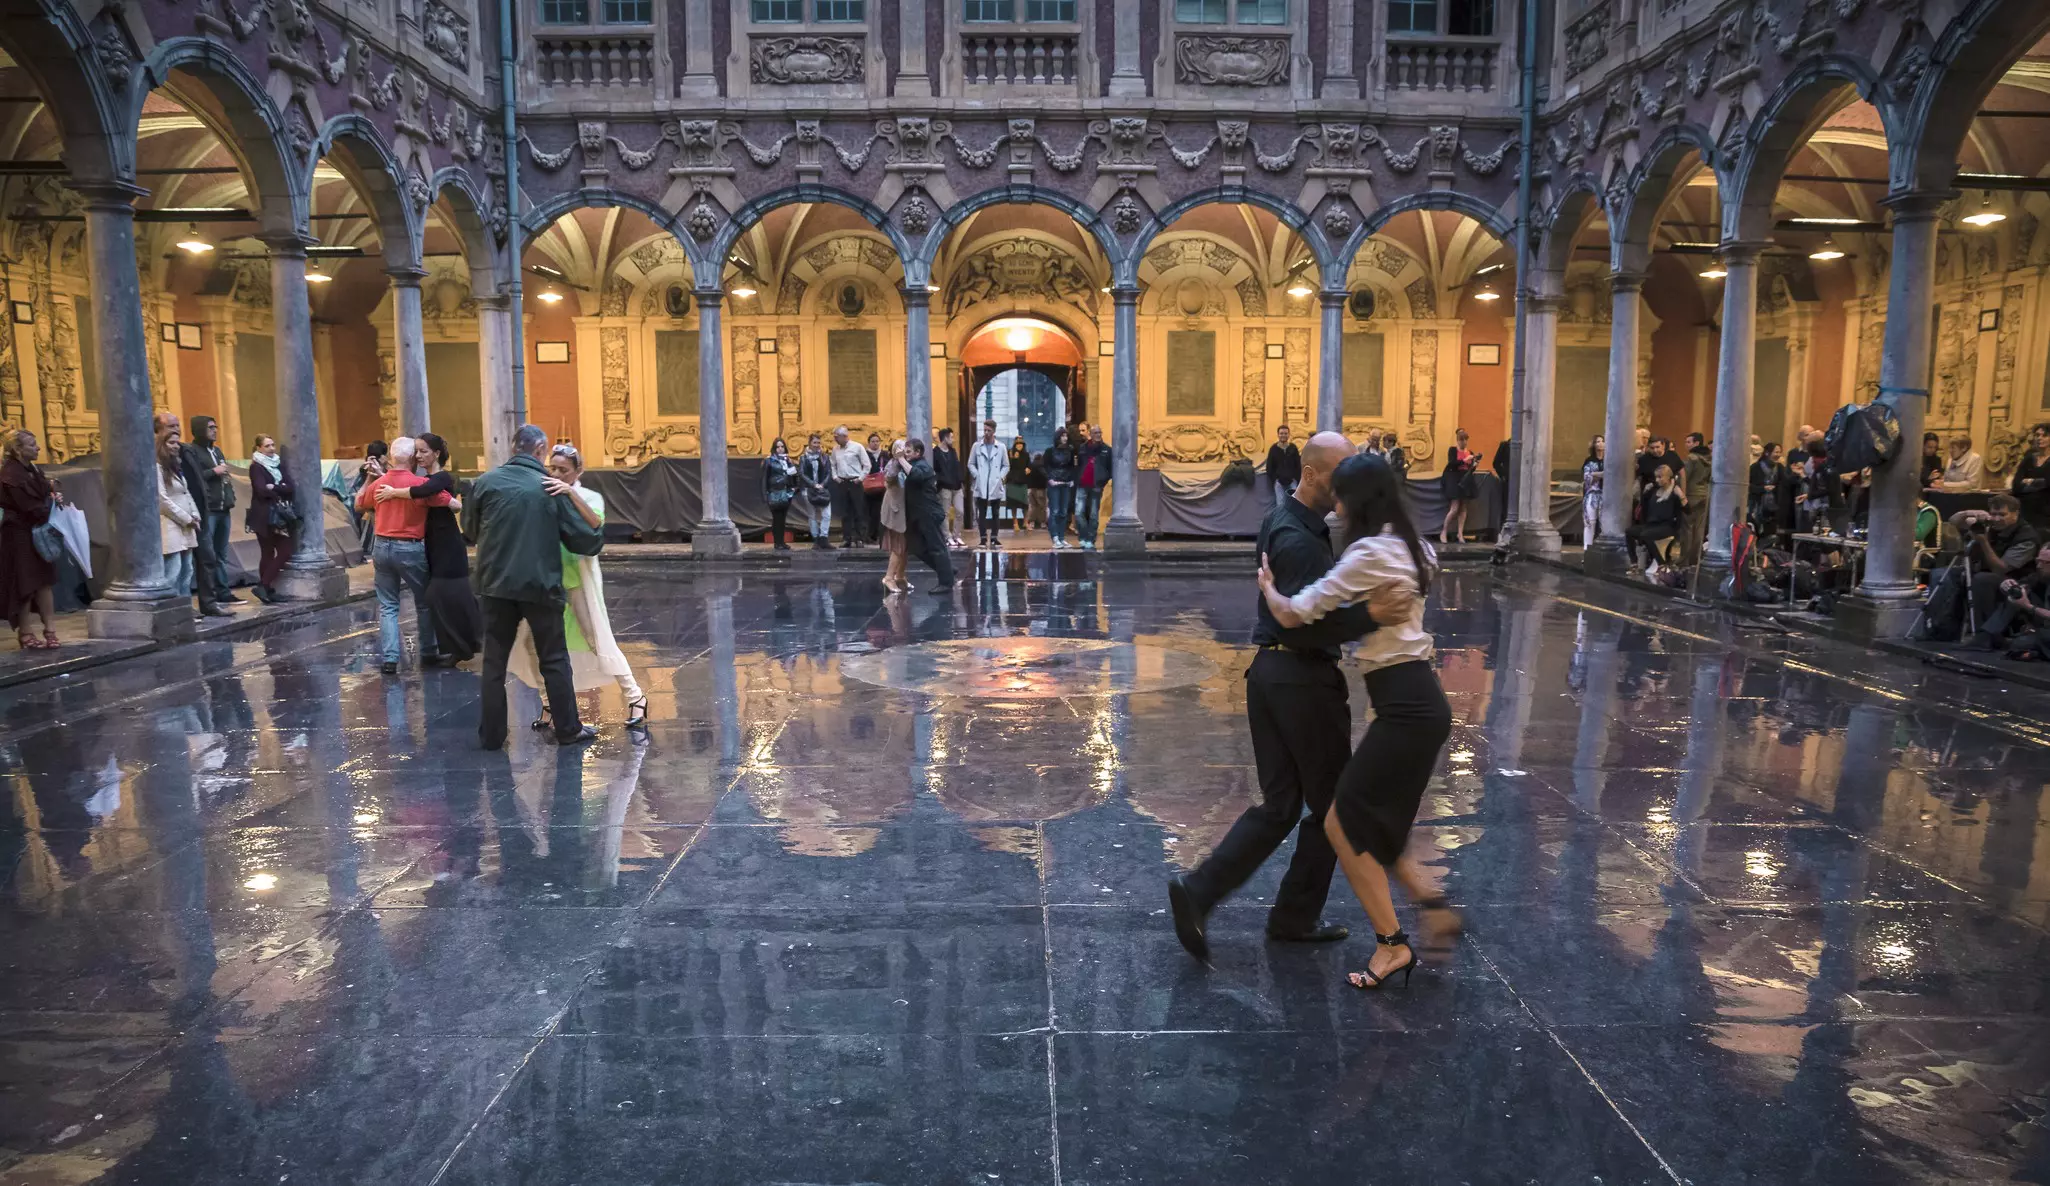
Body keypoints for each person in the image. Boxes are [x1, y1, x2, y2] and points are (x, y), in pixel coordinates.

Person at [1168, 431, 1401, 961]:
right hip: (1301, 681)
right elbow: (1306, 623)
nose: (1348, 486)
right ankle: (1292, 915)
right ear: (1312, 474)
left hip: (1272, 676)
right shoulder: (1299, 540)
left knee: (1281, 806)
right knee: (1334, 808)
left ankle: (1202, 891)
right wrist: (1372, 615)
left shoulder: (1286, 521)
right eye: (1340, 474)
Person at [1255, 451, 1456, 991]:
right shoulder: (1416, 546)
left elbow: (1296, 612)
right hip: (1421, 701)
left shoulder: (1368, 553)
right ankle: (1434, 911)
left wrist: (1268, 587)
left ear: (1357, 500)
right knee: (1377, 826)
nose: (1335, 507)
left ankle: (1393, 945)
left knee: (1341, 825)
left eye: (1341, 497)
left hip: (1405, 708)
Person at [467, 425, 605, 749]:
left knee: (494, 661)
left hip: (495, 585)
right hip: (540, 585)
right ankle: (568, 729)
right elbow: (585, 541)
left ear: (513, 448)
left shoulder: (485, 482)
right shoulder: (549, 487)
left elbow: (471, 531)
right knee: (553, 658)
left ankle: (491, 736)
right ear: (541, 450)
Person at [506, 442, 647, 730]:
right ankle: (547, 702)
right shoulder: (542, 492)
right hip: (545, 576)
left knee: (595, 636)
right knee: (531, 640)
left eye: (564, 470)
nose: (557, 474)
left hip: (576, 575)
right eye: (553, 468)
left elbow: (595, 524)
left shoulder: (589, 496)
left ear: (578, 471)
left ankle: (635, 696)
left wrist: (571, 493)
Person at [375, 432, 478, 664]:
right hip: (431, 543)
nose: (419, 456)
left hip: (447, 543)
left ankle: (460, 647)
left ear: (437, 453)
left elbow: (424, 491)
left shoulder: (442, 478)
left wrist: (393, 491)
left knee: (445, 594)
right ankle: (455, 647)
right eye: (417, 452)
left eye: (424, 451)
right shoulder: (424, 479)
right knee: (439, 596)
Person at [355, 436, 444, 675]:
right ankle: (428, 651)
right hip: (410, 547)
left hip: (382, 546)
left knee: (388, 605)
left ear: (393, 458)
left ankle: (391, 658)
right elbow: (445, 501)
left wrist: (371, 478)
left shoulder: (380, 483)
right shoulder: (419, 484)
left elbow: (359, 503)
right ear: (413, 458)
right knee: (423, 602)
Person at [1946, 494, 2041, 636]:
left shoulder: (2026, 538)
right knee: (1949, 574)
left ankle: (1983, 633)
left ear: (2015, 514)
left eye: (2002, 515)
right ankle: (1945, 627)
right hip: (1987, 573)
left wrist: (1983, 542)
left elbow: (2000, 569)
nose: (1997, 519)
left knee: (1982, 579)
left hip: (2016, 580)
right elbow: (1953, 521)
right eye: (1993, 514)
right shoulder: (1990, 525)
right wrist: (1969, 512)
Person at [0, 430, 60, 650]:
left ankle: (50, 630)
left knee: (44, 582)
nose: (38, 448)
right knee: (24, 585)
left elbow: (42, 494)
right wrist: (50, 503)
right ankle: (26, 633)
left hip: (36, 532)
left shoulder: (32, 468)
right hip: (18, 535)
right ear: (18, 449)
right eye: (32, 445)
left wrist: (53, 494)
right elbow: (30, 507)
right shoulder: (10, 474)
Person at [184, 415, 240, 607]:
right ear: (199, 429)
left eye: (215, 427)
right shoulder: (192, 451)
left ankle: (223, 591)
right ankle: (210, 595)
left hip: (224, 508)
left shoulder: (216, 450)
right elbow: (193, 477)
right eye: (210, 427)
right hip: (209, 509)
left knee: (221, 554)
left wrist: (230, 496)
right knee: (208, 555)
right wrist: (213, 472)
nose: (215, 430)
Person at [157, 418, 202, 617]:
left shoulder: (175, 466)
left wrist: (195, 515)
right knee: (173, 570)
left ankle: (185, 608)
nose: (176, 446)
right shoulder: (157, 468)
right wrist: (187, 518)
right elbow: (162, 500)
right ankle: (170, 611)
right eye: (171, 443)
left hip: (186, 525)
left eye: (177, 443)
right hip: (170, 525)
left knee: (187, 570)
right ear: (162, 444)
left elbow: (186, 493)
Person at [901, 438, 957, 594]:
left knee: (937, 547)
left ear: (918, 452)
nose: (905, 454)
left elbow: (915, 475)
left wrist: (900, 459)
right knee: (918, 548)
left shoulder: (923, 466)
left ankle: (946, 582)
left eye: (908, 451)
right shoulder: (912, 465)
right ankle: (947, 569)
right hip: (919, 514)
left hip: (928, 513)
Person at [246, 434, 297, 603]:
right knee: (268, 552)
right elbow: (261, 490)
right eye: (267, 446)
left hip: (279, 515)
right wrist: (280, 488)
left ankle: (264, 586)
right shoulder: (256, 467)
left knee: (284, 550)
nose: (272, 448)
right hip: (264, 515)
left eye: (273, 445)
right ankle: (266, 589)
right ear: (259, 448)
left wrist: (274, 487)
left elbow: (290, 488)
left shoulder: (278, 464)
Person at [1627, 463, 1685, 578]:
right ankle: (1634, 563)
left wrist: (1682, 496)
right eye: (1656, 477)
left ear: (1668, 477)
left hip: (1667, 526)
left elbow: (1686, 510)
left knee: (1646, 534)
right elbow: (1644, 507)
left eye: (1660, 477)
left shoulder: (1674, 492)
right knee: (1629, 532)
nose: (1657, 480)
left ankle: (1662, 564)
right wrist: (1645, 493)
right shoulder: (1654, 490)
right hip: (1652, 524)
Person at [878, 438, 911, 594]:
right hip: (894, 509)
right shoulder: (893, 464)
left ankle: (900, 575)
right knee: (898, 546)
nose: (905, 451)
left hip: (904, 508)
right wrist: (899, 459)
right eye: (901, 448)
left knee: (905, 546)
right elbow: (889, 477)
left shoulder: (907, 464)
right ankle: (889, 577)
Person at [967, 419, 1008, 548]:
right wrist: (977, 475)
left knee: (996, 512)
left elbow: (1006, 465)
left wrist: (1000, 477)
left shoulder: (1001, 447)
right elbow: (970, 463)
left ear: (994, 431)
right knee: (982, 512)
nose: (986, 433)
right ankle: (983, 538)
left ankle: (994, 538)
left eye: (989, 430)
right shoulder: (976, 446)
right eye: (984, 430)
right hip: (981, 483)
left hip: (995, 483)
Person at [828, 426, 870, 548]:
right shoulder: (835, 449)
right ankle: (847, 538)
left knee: (859, 511)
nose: (835, 439)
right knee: (845, 512)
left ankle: (860, 538)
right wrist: (835, 477)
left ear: (844, 436)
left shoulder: (857, 447)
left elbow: (867, 465)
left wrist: (860, 478)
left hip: (855, 482)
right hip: (842, 482)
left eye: (837, 437)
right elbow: (832, 465)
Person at [1438, 427, 1481, 544]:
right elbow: (1452, 463)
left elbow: (1470, 469)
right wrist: (1465, 460)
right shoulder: (1453, 450)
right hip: (1454, 479)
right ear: (1458, 440)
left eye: (1466, 440)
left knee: (1463, 508)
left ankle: (1460, 533)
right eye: (1462, 440)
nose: (1464, 442)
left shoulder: (1470, 452)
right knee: (1454, 508)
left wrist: (1475, 464)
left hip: (1465, 479)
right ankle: (1444, 531)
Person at [1075, 423, 1113, 549]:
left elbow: (1110, 469)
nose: (1098, 435)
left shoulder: (1107, 450)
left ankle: (1090, 539)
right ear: (1090, 435)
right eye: (1095, 433)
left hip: (1096, 485)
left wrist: (1103, 481)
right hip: (1082, 484)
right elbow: (1078, 465)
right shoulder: (1083, 448)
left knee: (1093, 514)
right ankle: (1083, 536)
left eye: (1099, 432)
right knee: (1078, 513)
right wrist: (1078, 477)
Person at [1042, 425, 1080, 548]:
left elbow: (1072, 466)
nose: (1065, 438)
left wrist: (1072, 479)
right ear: (1058, 437)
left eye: (1066, 436)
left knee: (1063, 512)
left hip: (1066, 483)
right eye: (1063, 436)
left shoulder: (1070, 450)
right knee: (1055, 511)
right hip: (1054, 483)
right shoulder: (1050, 451)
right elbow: (1043, 466)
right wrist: (1050, 479)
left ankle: (1062, 537)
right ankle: (1055, 537)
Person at [348, 440, 388, 554]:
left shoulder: (388, 470)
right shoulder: (364, 470)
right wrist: (370, 475)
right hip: (369, 513)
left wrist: (384, 468)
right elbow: (358, 505)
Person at [1679, 431, 1712, 566]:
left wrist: (1682, 496)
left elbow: (1684, 477)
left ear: (1696, 443)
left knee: (1687, 529)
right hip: (1704, 495)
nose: (1686, 444)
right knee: (1699, 530)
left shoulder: (1692, 458)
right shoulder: (1709, 458)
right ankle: (1695, 560)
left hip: (1691, 495)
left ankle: (1684, 561)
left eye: (1689, 442)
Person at [2009, 422, 2050, 528]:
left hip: (2046, 510)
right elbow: (2016, 485)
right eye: (2037, 435)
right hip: (2025, 508)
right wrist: (2040, 483)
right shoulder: (2029, 458)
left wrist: (2030, 481)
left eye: (2044, 435)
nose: (2039, 438)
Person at [931, 427, 966, 548]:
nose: (953, 439)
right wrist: (940, 481)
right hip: (944, 486)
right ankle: (947, 537)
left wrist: (961, 482)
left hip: (957, 486)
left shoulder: (952, 451)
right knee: (945, 512)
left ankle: (957, 535)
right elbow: (934, 470)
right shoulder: (935, 452)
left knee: (960, 511)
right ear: (945, 438)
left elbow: (957, 467)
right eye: (951, 437)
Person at [798, 432, 834, 548]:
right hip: (809, 490)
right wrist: (813, 484)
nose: (817, 445)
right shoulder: (803, 458)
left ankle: (824, 538)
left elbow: (829, 472)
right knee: (812, 515)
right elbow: (802, 473)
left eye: (818, 442)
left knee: (827, 514)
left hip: (822, 489)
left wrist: (822, 485)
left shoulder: (824, 457)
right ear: (809, 443)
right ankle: (816, 539)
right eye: (814, 442)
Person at [761, 437, 799, 550]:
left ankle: (781, 542)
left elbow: (794, 475)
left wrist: (795, 488)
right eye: (778, 447)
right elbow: (763, 479)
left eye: (782, 446)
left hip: (787, 493)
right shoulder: (769, 461)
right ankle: (777, 542)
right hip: (774, 492)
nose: (780, 449)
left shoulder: (788, 460)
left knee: (782, 519)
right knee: (777, 518)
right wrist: (765, 495)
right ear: (774, 448)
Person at [1749, 441, 1786, 543]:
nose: (1778, 455)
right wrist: (1763, 488)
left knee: (1770, 535)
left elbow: (1785, 483)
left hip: (1773, 508)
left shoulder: (1780, 468)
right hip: (1757, 506)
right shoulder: (1755, 467)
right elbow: (1748, 485)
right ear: (1767, 453)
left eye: (1780, 452)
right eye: (1776, 452)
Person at [1264, 425, 1300, 510]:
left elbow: (1298, 465)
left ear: (1289, 435)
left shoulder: (1293, 448)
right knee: (1280, 505)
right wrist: (1275, 480)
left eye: (1285, 433)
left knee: (1294, 504)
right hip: (1279, 483)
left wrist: (1296, 479)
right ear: (1278, 434)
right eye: (1281, 433)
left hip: (1292, 482)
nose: (1283, 435)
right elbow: (1269, 467)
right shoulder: (1273, 449)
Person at [862, 431, 887, 544]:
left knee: (879, 512)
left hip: (881, 487)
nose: (875, 443)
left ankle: (877, 535)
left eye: (877, 441)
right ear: (869, 443)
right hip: (867, 488)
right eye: (873, 441)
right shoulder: (864, 454)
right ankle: (868, 535)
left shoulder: (885, 454)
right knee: (867, 512)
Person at [1580, 436, 1605, 544]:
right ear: (1594, 445)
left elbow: (1612, 475)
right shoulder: (1589, 461)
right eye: (1598, 441)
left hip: (1607, 495)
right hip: (1592, 493)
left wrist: (1594, 473)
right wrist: (1602, 474)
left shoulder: (1609, 460)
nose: (1601, 443)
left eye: (1602, 441)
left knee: (1605, 523)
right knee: (1590, 522)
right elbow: (1587, 478)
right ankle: (1587, 548)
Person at [1005, 436, 1032, 532]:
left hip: (1022, 480)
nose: (1019, 445)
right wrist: (1013, 458)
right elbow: (1007, 466)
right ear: (1014, 445)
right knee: (1013, 504)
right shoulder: (1010, 453)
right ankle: (1015, 523)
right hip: (1012, 481)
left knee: (1025, 503)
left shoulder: (1026, 454)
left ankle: (1025, 522)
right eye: (1017, 444)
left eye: (1021, 444)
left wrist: (1029, 469)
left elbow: (1029, 465)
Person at [1023, 444, 1049, 531]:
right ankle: (1043, 523)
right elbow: (1045, 475)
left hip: (1030, 488)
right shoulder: (1041, 465)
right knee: (1042, 506)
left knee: (1033, 506)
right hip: (1040, 489)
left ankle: (1031, 522)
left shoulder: (1030, 465)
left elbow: (1026, 475)